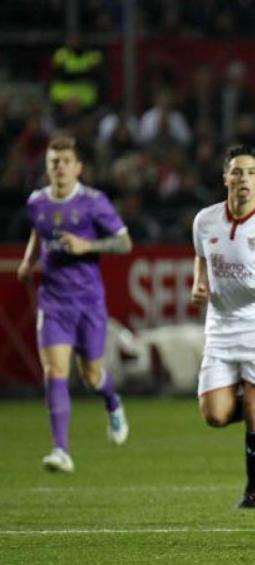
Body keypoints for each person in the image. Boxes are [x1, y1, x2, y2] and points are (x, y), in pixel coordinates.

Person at [17, 135, 133, 473]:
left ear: (78, 167)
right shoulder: (36, 202)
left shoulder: (94, 202)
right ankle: (61, 450)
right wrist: (28, 261)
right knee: (54, 371)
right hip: (52, 302)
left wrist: (87, 246)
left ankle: (112, 402)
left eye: (66, 162)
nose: (59, 168)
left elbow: (124, 243)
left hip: (88, 302)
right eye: (54, 162)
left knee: (92, 376)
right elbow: (38, 233)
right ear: (47, 167)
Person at [190, 145, 255, 508]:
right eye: (236, 172)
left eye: (250, 172)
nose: (243, 178)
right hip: (220, 324)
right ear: (225, 179)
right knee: (215, 415)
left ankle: (254, 491)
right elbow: (201, 258)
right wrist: (198, 282)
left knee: (252, 409)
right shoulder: (205, 220)